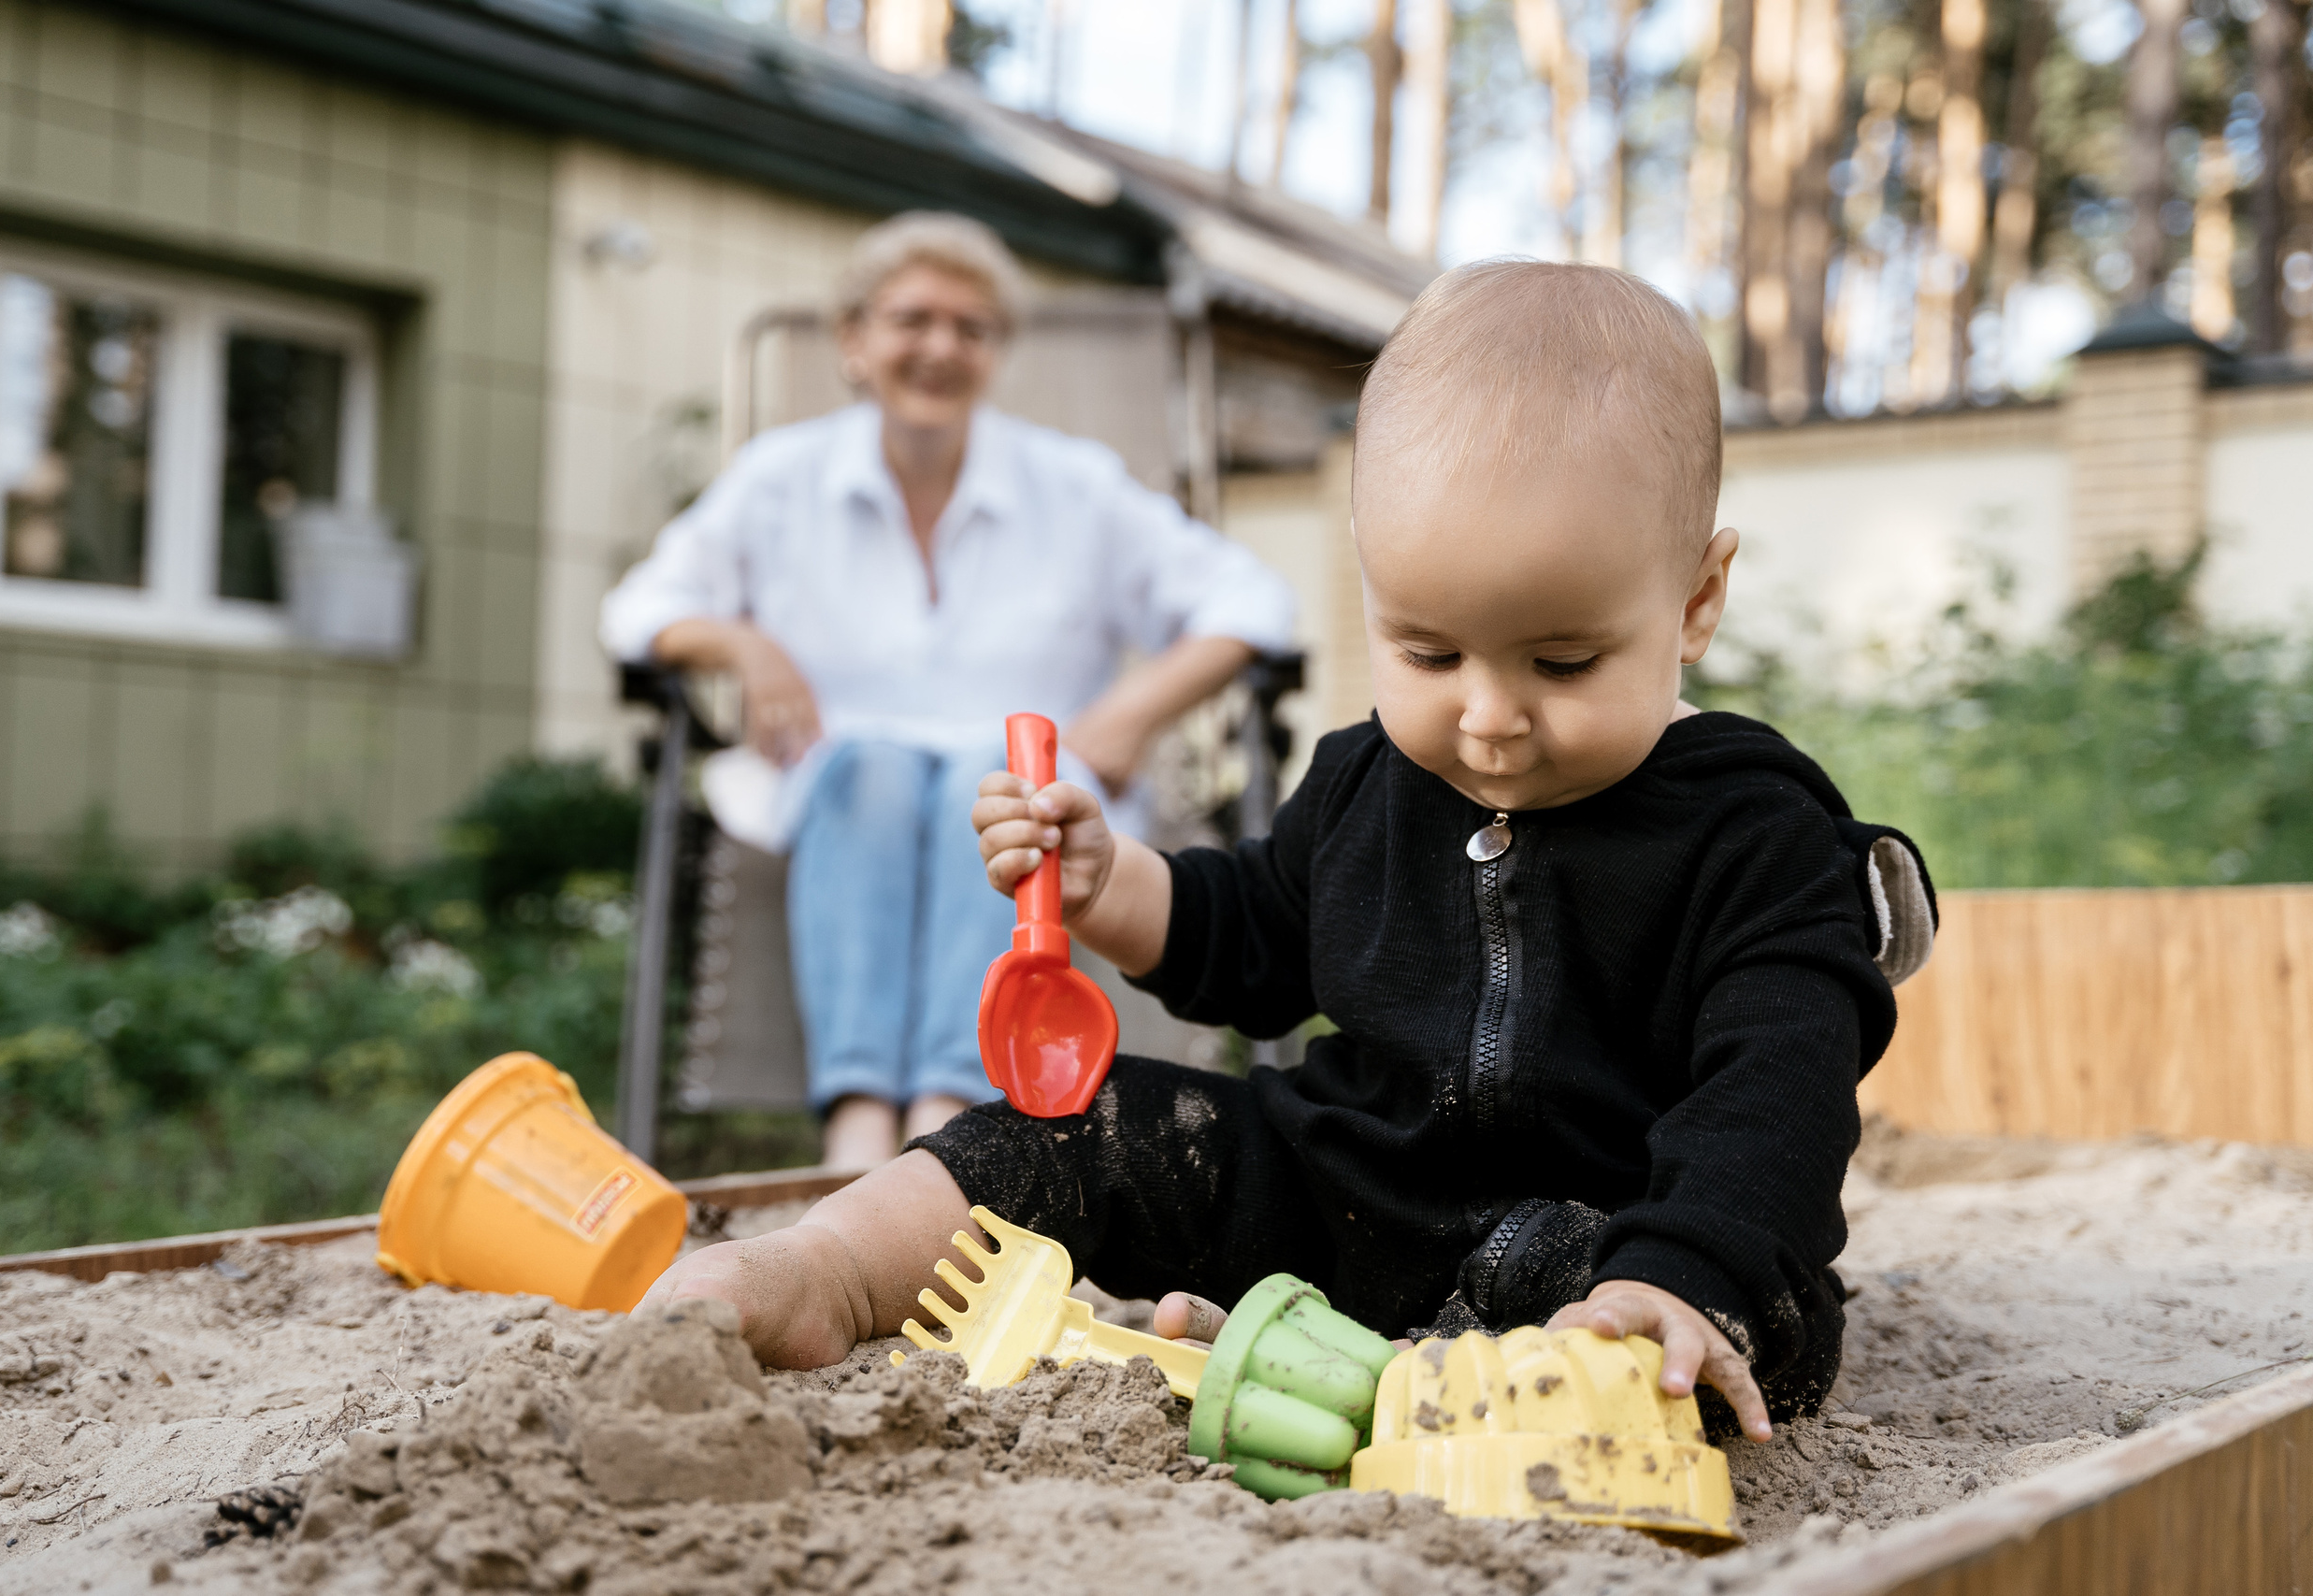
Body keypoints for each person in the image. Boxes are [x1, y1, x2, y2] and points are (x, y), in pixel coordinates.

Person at [631, 261, 1935, 1441]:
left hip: (1608, 1229)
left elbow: (1781, 1084)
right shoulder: (1370, 771)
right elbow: (1249, 936)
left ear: (1696, 599)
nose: (1486, 714)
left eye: (1563, 660)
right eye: (1427, 649)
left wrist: (1686, 1268)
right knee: (1074, 1122)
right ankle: (830, 1271)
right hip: (1346, 1189)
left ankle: (1397, 1368)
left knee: (1675, 1328)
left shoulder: (1757, 825)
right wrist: (1109, 883)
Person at [600, 213, 1295, 1170]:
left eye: (971, 328)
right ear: (854, 341)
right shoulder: (780, 481)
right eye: (911, 320)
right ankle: (857, 1129)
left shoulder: (1075, 487)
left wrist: (1139, 707)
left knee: (989, 778)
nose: (940, 347)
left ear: (995, 353)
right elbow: (641, 607)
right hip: (841, 793)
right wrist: (741, 641)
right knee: (871, 769)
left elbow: (1253, 599)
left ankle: (942, 1117)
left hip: (1032, 800)